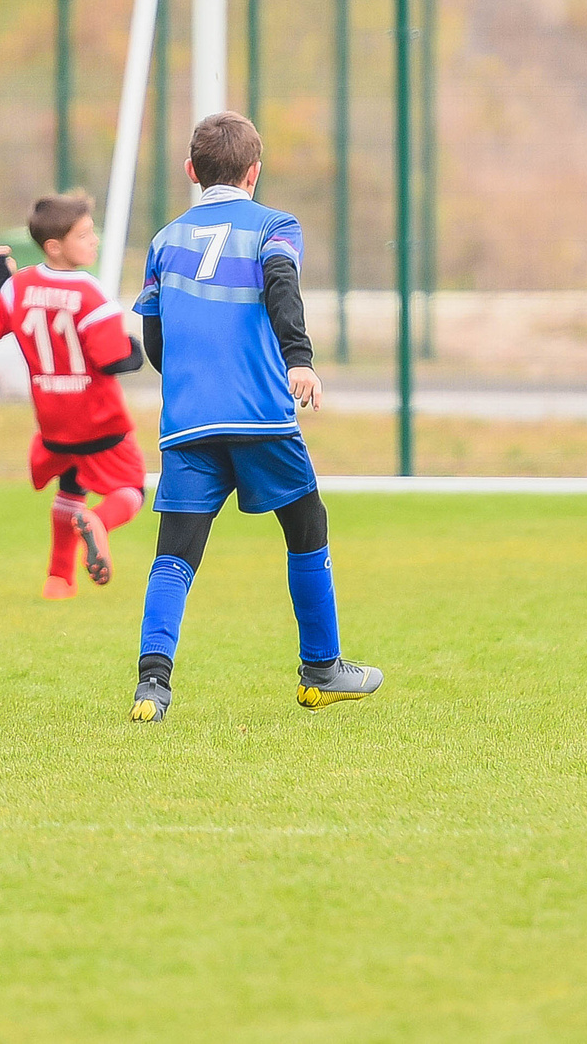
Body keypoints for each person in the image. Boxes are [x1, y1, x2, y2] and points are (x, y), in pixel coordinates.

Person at [127, 111, 380, 724]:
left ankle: (151, 688)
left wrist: (192, 374)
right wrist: (299, 359)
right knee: (306, 526)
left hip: (188, 421)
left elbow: (154, 341)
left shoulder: (165, 240)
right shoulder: (274, 226)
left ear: (192, 171)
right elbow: (281, 281)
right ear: (254, 172)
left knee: (174, 556)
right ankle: (321, 668)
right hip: (260, 415)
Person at [0, 191, 148, 599]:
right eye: (84, 235)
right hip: (99, 420)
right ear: (55, 246)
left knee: (70, 486)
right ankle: (100, 522)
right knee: (131, 490)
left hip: (54, 421)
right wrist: (136, 351)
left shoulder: (20, 286)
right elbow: (111, 358)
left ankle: (58, 580)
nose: (94, 241)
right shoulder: (90, 292)